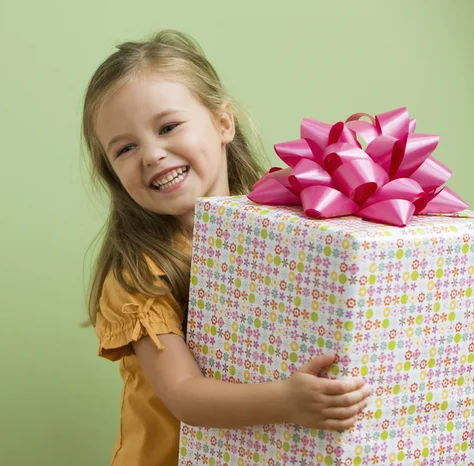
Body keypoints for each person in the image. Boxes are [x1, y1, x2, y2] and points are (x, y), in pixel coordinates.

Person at [80, 29, 372, 466]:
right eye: (125, 148)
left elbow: (327, 185)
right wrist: (287, 401)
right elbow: (185, 396)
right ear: (113, 173)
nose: (153, 154)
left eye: (168, 127)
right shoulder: (138, 274)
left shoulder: (273, 225)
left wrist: (355, 153)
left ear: (223, 123)